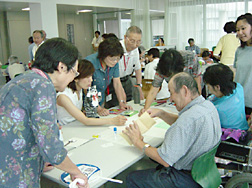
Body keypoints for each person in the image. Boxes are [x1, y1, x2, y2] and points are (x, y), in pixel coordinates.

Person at [0, 38, 89, 188]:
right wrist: (76, 172)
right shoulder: (43, 86)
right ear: (61, 67)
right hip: (14, 176)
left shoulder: (22, 80)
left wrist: (39, 160)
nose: (74, 77)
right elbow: (51, 145)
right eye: (74, 72)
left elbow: (21, 129)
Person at [124, 72, 221, 188]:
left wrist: (137, 142)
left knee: (132, 178)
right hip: (204, 174)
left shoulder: (188, 119)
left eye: (171, 93)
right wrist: (162, 113)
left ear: (184, 91)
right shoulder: (207, 106)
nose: (170, 98)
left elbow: (164, 159)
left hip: (186, 178)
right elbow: (188, 126)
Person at [57, 59, 127, 126]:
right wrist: (112, 121)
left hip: (77, 125)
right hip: (66, 129)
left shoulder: (80, 89)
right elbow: (86, 121)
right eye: (87, 77)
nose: (91, 80)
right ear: (76, 78)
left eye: (91, 76)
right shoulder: (63, 96)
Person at [139, 49, 201, 116]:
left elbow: (197, 82)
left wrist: (198, 105)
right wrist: (145, 110)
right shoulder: (162, 66)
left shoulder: (191, 58)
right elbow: (153, 90)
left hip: (191, 90)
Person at [85, 37, 132, 116]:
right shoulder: (90, 63)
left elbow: (117, 83)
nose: (115, 61)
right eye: (112, 59)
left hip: (101, 100)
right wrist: (98, 108)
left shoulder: (114, 63)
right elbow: (86, 89)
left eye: (118, 59)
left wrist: (121, 102)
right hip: (87, 104)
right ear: (103, 55)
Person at [105, 26, 144, 108]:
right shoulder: (117, 47)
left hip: (127, 79)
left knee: (129, 103)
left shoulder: (135, 49)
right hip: (114, 81)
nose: (135, 45)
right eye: (132, 41)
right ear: (125, 37)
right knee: (116, 105)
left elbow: (137, 68)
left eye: (138, 42)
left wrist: (139, 85)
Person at [203, 63, 248, 130]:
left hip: (230, 136)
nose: (208, 88)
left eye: (208, 86)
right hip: (243, 127)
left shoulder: (217, 110)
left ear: (217, 87)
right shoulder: (238, 88)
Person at [234, 13, 252, 115]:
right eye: (237, 30)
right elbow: (237, 74)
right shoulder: (239, 50)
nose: (240, 33)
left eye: (243, 28)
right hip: (240, 101)